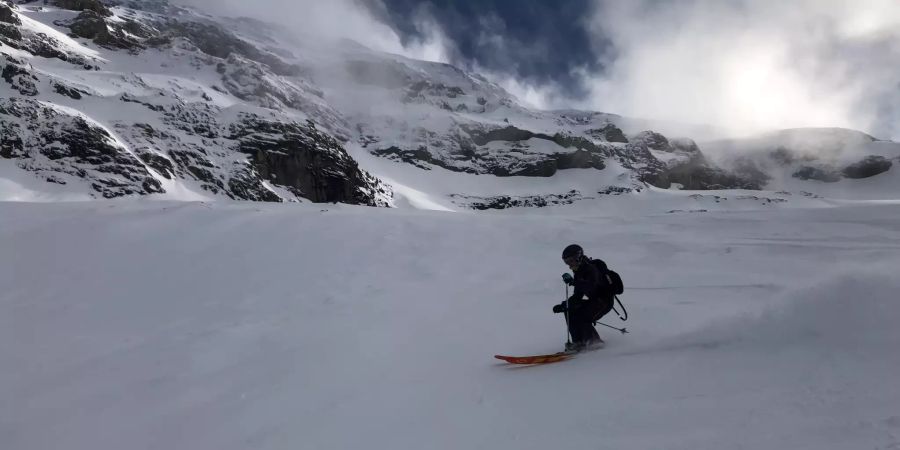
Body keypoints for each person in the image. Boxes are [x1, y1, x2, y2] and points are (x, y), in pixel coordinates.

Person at [553, 244, 614, 351]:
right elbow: (578, 296)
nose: (569, 265)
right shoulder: (579, 272)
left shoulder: (591, 269)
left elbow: (591, 286)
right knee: (570, 310)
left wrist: (574, 282)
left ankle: (595, 343)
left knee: (583, 316)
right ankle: (579, 342)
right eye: (567, 262)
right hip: (594, 301)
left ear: (579, 257)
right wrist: (564, 305)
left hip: (604, 302)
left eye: (571, 261)